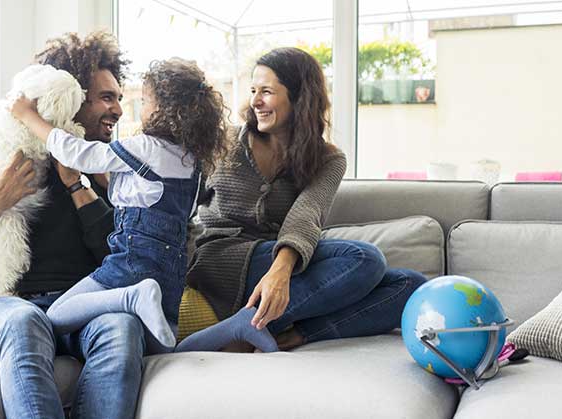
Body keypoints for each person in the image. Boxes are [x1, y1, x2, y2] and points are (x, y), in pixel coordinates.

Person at [0, 31, 142, 419]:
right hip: (10, 305)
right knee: (24, 321)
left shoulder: (110, 170)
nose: (119, 110)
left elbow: (122, 259)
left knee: (122, 327)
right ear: (69, 97)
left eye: (119, 98)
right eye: (107, 97)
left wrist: (77, 185)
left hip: (84, 304)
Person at [177, 47, 428, 353]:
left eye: (267, 91)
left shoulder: (328, 159)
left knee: (411, 286)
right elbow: (181, 202)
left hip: (281, 264)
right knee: (365, 259)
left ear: (299, 97)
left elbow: (307, 213)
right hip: (220, 260)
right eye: (254, 90)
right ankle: (252, 324)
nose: (255, 101)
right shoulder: (224, 142)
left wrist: (280, 273)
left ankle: (287, 332)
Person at [10, 58, 228, 351]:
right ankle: (237, 328)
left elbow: (78, 154)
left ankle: (131, 297)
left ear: (163, 109)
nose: (137, 109)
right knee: (166, 347)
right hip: (171, 272)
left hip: (132, 264)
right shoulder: (192, 162)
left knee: (57, 315)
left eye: (146, 101)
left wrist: (28, 116)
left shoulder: (144, 147)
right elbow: (159, 201)